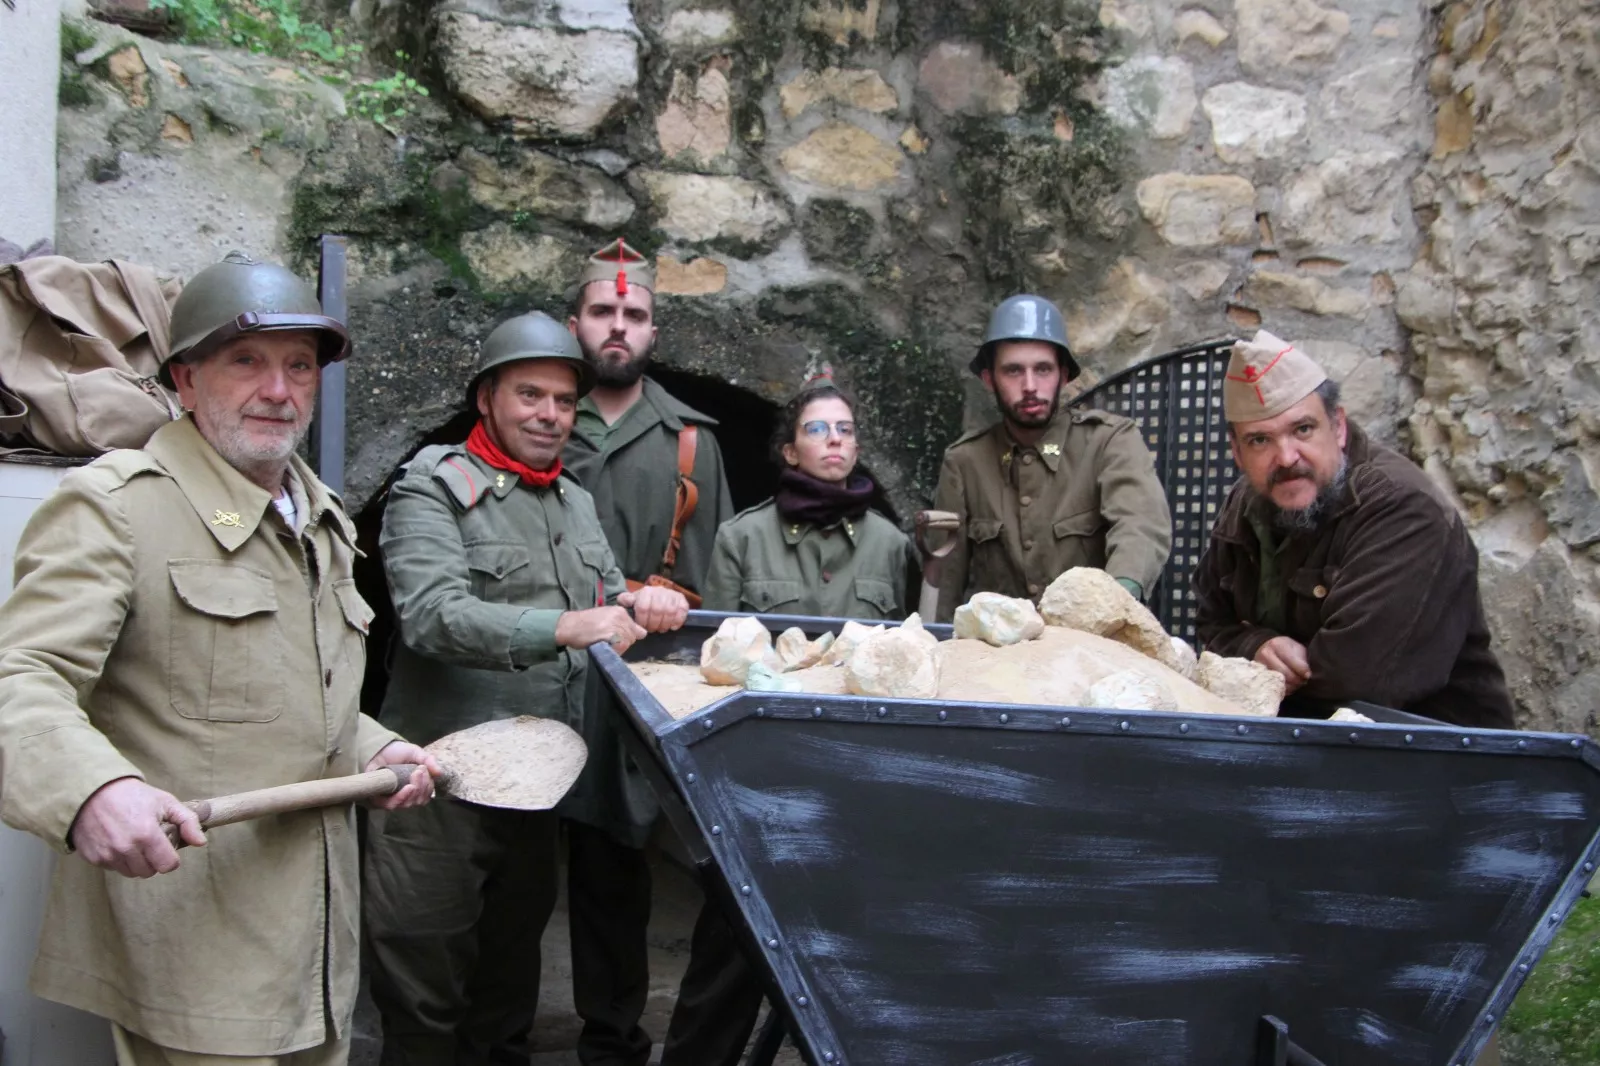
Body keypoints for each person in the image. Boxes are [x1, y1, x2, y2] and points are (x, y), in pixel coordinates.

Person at [0, 251, 437, 1066]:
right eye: (247, 361)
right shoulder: (117, 508)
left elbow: (295, 691)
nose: (279, 390)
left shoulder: (323, 518)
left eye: (299, 367)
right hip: (194, 951)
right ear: (186, 381)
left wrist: (378, 748)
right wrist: (93, 788)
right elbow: (20, 679)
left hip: (315, 949)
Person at [364, 311, 688, 1065]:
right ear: (488, 399)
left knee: (506, 999)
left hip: (535, 789)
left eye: (564, 401)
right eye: (529, 395)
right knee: (422, 1001)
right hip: (436, 785)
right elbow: (431, 616)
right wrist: (567, 626)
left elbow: (609, 595)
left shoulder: (571, 500)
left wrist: (645, 601)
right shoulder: (431, 486)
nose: (549, 415)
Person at [659, 375, 916, 1066]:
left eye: (846, 431)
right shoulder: (744, 539)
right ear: (788, 451)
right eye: (818, 430)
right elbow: (715, 667)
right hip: (761, 783)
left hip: (859, 780)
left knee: (860, 957)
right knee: (732, 948)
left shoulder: (892, 546)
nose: (835, 442)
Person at [558, 238, 735, 1066]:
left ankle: (654, 1040)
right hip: (547, 664)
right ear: (576, 323)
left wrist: (672, 607)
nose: (617, 327)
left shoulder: (691, 441)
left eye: (633, 314)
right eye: (603, 312)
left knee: (654, 859)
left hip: (644, 671)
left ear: (654, 332)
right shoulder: (542, 416)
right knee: (546, 870)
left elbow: (715, 582)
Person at [1193, 329, 1514, 728]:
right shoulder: (1248, 503)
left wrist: (1252, 669)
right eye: (1260, 440)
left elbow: (1358, 678)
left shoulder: (1403, 509)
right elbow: (1210, 622)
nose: (1287, 457)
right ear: (1238, 454)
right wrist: (1254, 645)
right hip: (1303, 743)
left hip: (1439, 760)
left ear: (1338, 427)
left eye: (1303, 430)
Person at [931, 293, 1172, 622]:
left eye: (1042, 369)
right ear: (989, 379)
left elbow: (1140, 527)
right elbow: (945, 581)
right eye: (1013, 371)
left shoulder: (1108, 442)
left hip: (1091, 646)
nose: (1030, 386)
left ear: (1063, 374)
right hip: (1002, 658)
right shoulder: (965, 462)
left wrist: (1115, 605)